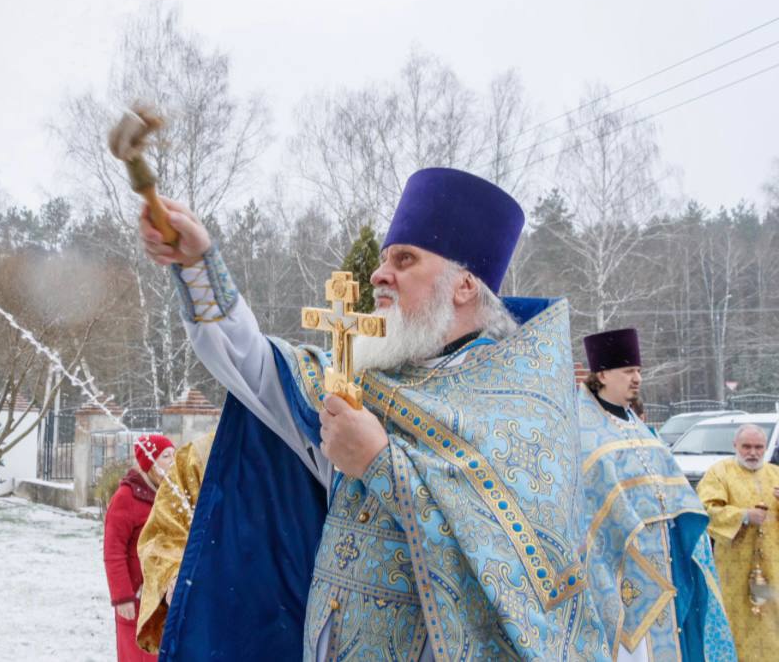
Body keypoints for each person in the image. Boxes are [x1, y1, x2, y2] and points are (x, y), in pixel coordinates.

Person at [125, 141, 613, 659]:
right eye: (383, 259)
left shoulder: (522, 415)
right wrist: (199, 263)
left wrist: (380, 465)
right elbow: (253, 366)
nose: (380, 274)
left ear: (465, 285)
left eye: (404, 260)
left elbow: (514, 582)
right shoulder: (365, 387)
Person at [578, 328, 736, 661]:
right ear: (602, 375)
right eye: (628, 372)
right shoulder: (584, 429)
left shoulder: (639, 426)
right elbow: (589, 505)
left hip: (668, 564)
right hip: (624, 569)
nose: (636, 379)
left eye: (638, 371)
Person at [698, 424, 779, 660]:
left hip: (773, 568)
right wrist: (743, 516)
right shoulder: (719, 473)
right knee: (736, 618)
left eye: (758, 447)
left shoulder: (775, 473)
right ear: (735, 446)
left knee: (771, 620)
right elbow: (706, 510)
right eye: (746, 447)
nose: (752, 453)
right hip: (735, 567)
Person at [134, 431, 215, 655]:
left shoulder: (315, 442)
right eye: (164, 456)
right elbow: (160, 537)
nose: (169, 459)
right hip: (213, 621)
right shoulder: (200, 455)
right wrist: (174, 575)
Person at [102, 433, 175, 662]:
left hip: (165, 596)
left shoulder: (169, 496)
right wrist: (122, 596)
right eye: (166, 456)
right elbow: (113, 552)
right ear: (150, 464)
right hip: (135, 598)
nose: (173, 461)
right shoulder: (126, 498)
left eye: (174, 454)